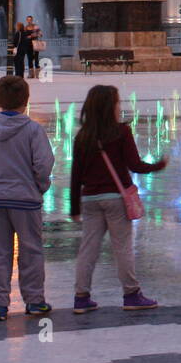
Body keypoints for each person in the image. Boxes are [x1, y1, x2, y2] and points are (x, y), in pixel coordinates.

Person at [69, 84, 167, 313]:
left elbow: (76, 174)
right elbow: (134, 165)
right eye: (117, 102)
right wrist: (157, 166)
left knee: (88, 248)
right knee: (122, 247)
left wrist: (74, 206)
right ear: (110, 107)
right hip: (115, 199)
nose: (119, 106)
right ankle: (131, 294)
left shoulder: (82, 136)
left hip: (90, 199)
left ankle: (81, 297)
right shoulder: (121, 132)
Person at [0, 75, 55, 320]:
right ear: (26, 100)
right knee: (31, 250)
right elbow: (43, 163)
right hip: (26, 199)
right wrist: (39, 187)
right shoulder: (32, 129)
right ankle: (34, 300)